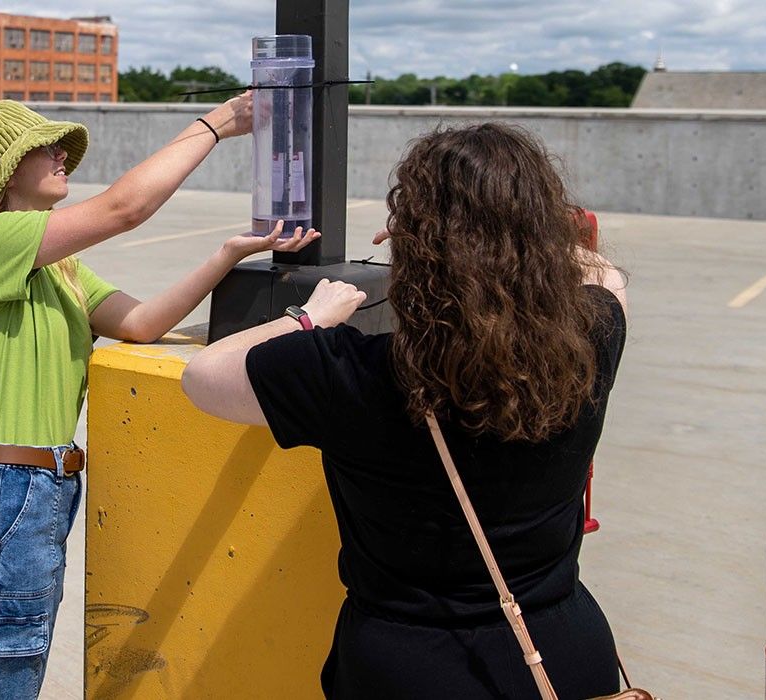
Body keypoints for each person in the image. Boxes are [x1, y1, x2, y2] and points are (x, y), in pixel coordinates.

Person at [182, 122, 628, 698]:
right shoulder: (592, 338)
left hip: (410, 667)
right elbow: (603, 276)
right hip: (560, 653)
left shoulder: (355, 374)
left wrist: (310, 317)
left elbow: (203, 376)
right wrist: (522, 233)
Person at [0, 95, 320, 698]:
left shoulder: (59, 269)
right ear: (2, 168)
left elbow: (142, 323)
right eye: (42, 147)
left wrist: (229, 253)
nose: (61, 154)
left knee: (9, 683)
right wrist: (213, 127)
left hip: (34, 494)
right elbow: (125, 209)